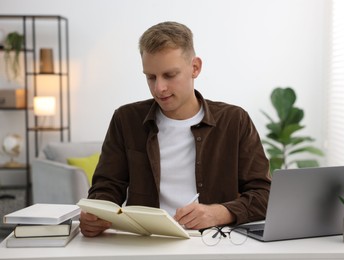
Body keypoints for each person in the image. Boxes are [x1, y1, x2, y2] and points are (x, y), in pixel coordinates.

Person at [79, 21, 271, 237]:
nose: (159, 88)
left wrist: (220, 213)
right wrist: (96, 214)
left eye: (169, 75)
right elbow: (107, 186)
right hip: (145, 243)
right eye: (150, 77)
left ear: (195, 68)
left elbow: (264, 194)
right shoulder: (126, 120)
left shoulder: (234, 120)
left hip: (213, 242)